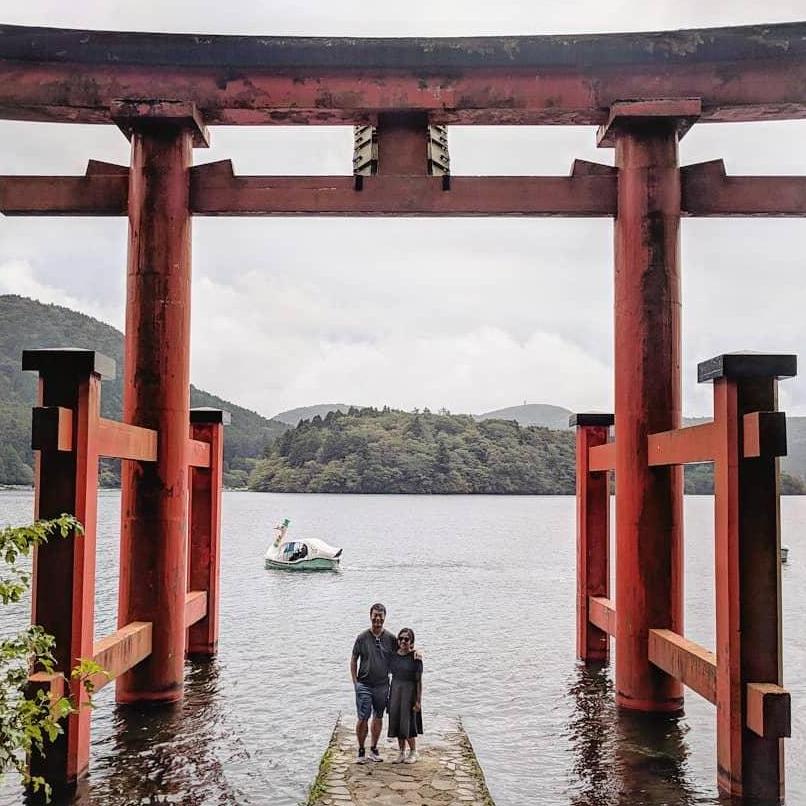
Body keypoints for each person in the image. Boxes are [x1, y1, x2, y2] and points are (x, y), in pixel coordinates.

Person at [350, 603, 397, 764]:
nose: (377, 618)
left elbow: (402, 652)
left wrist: (416, 653)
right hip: (364, 683)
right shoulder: (362, 637)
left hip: (382, 684)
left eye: (380, 616)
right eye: (375, 615)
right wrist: (355, 682)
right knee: (363, 717)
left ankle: (374, 748)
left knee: (378, 715)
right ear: (370, 616)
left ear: (385, 617)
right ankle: (361, 750)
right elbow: (354, 659)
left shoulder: (391, 638)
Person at [387, 627, 423, 764]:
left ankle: (413, 751)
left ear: (411, 641)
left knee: (408, 723)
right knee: (396, 721)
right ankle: (401, 752)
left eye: (406, 639)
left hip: (409, 692)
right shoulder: (393, 656)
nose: (403, 641)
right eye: (401, 638)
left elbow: (419, 681)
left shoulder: (416, 658)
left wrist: (418, 701)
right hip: (396, 689)